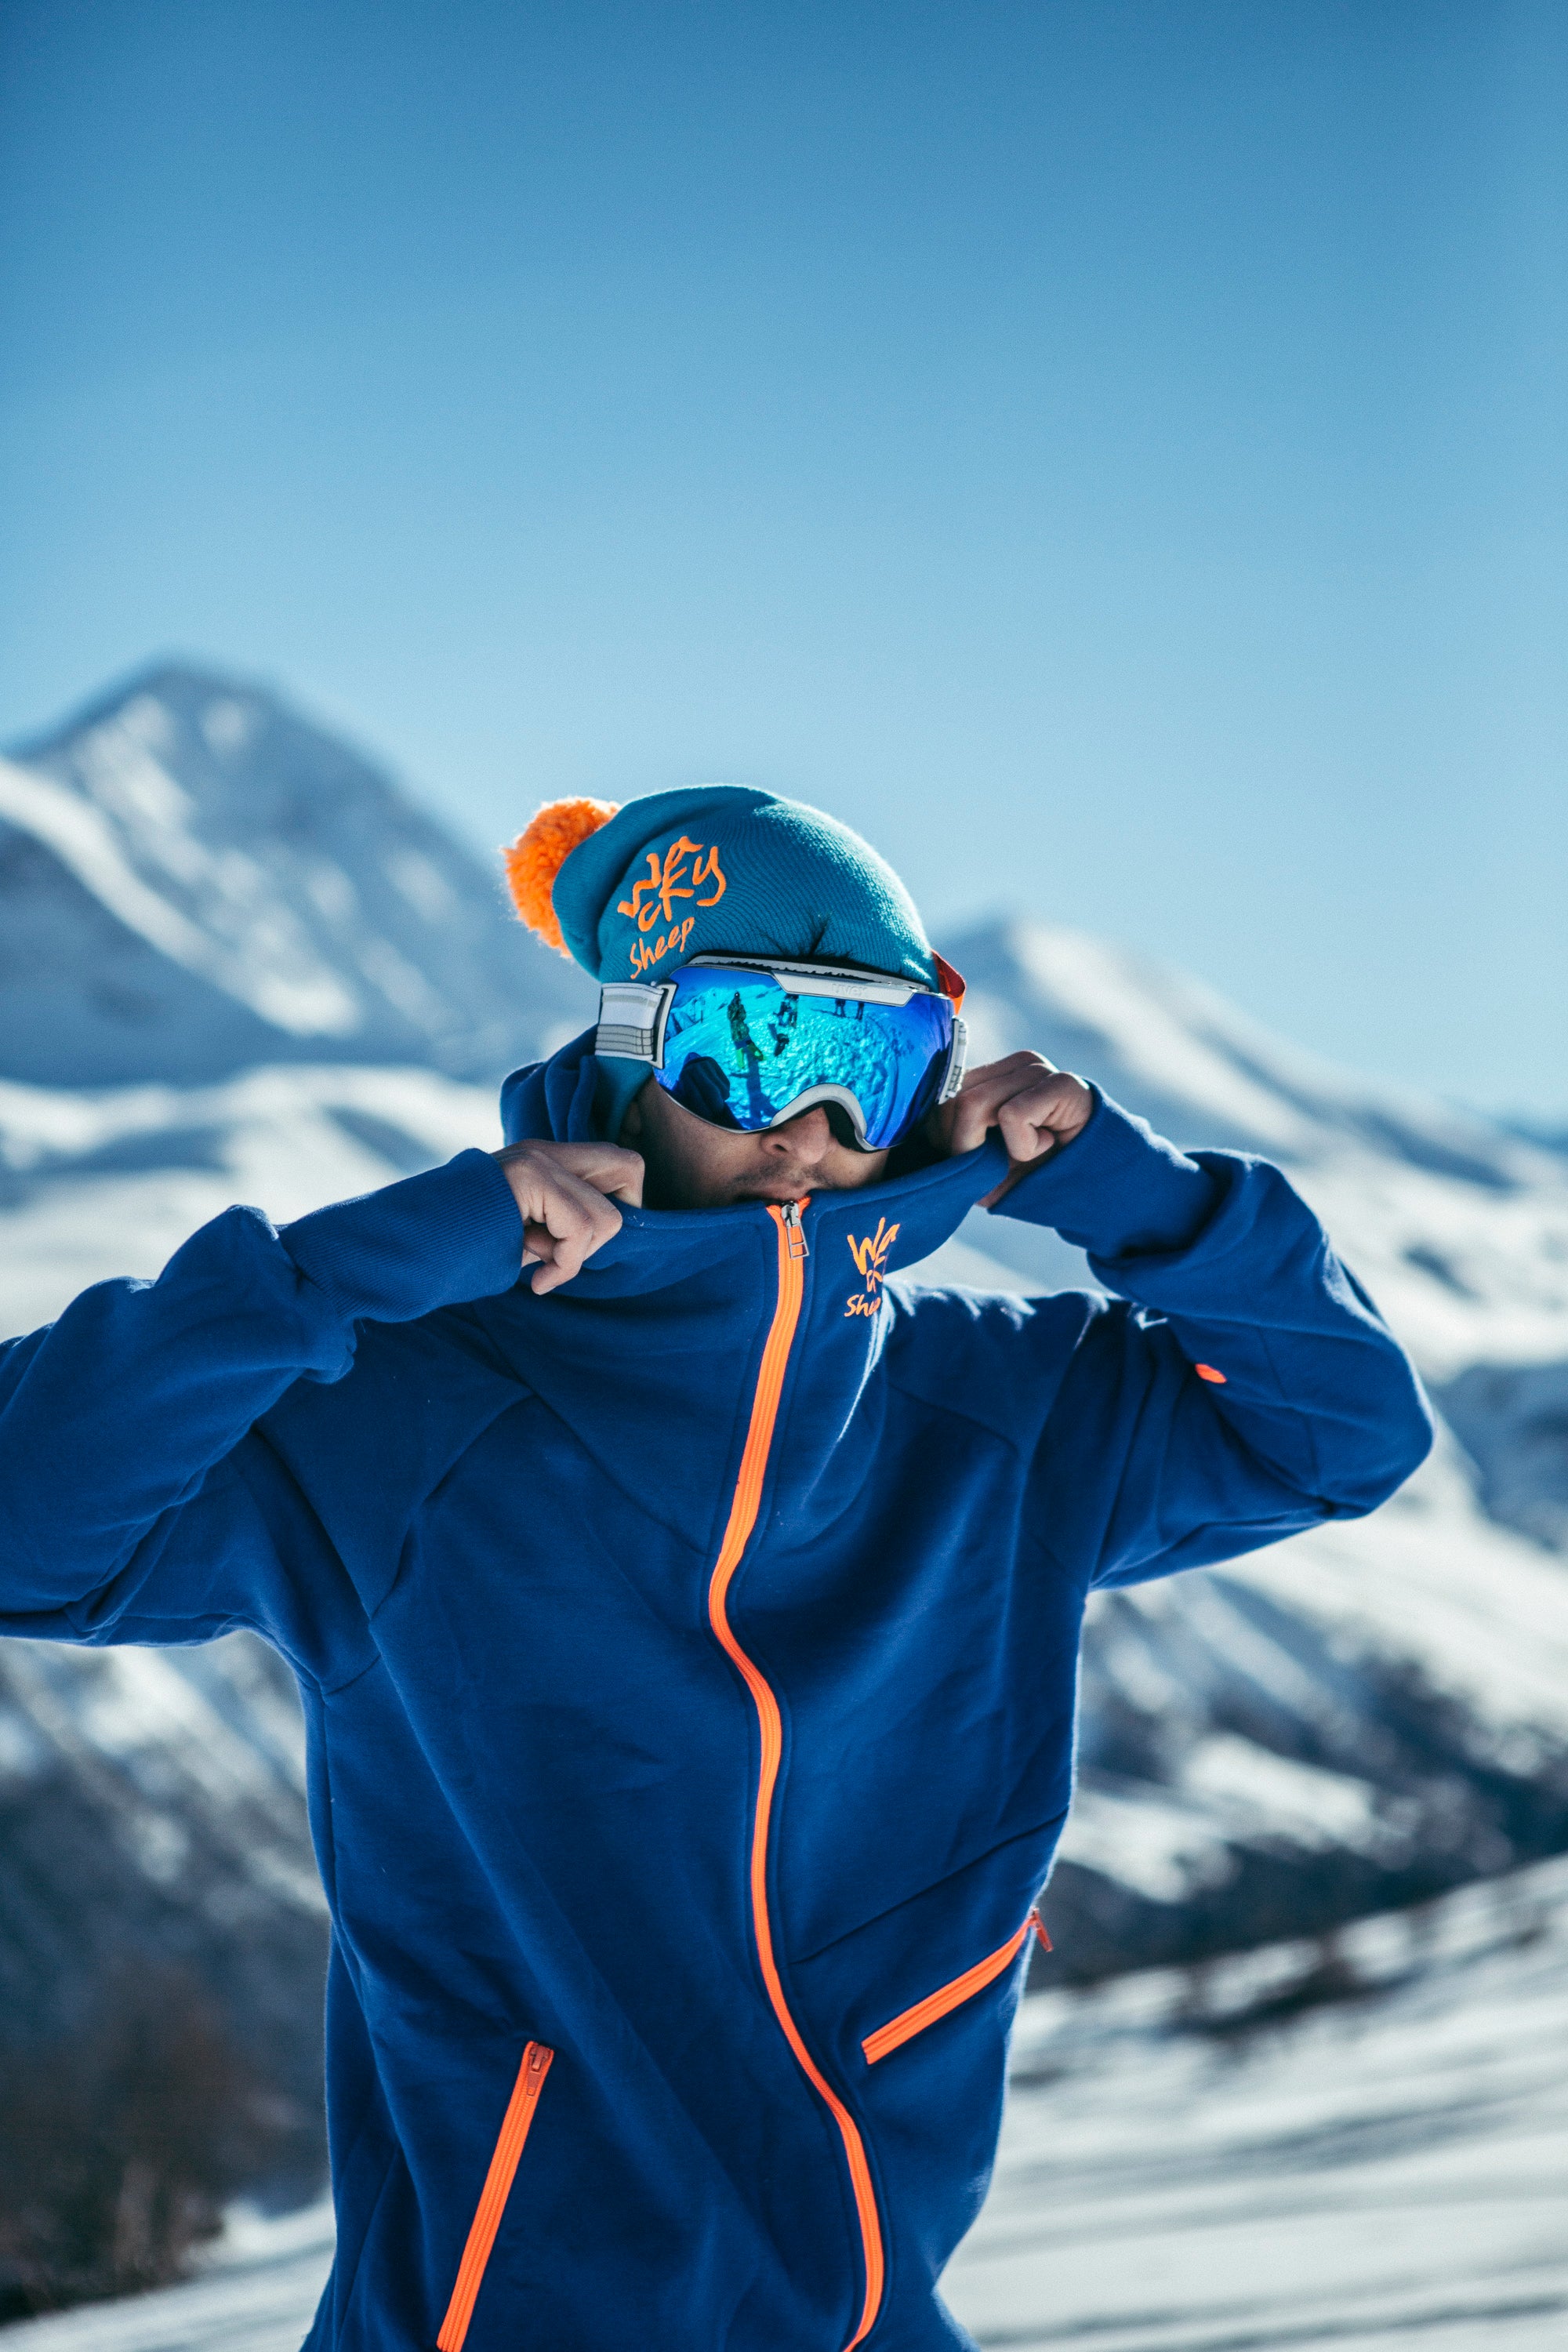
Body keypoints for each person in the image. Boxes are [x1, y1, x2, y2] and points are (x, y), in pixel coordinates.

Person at [0, 785, 1432, 2352]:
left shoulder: (1004, 1416)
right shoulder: (399, 1415)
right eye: (751, 1046)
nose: (811, 1131)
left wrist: (1135, 1195)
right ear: (629, 1052)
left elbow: (1341, 1435)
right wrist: (335, 1272)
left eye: (874, 1066)